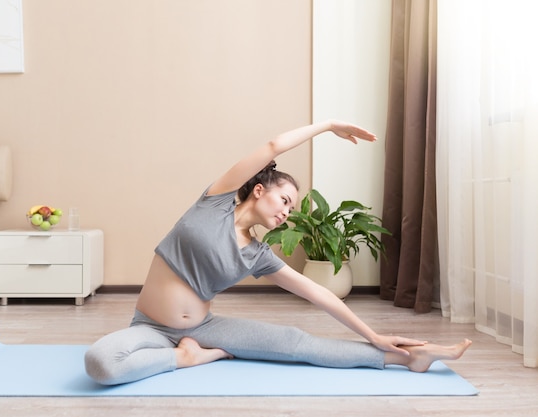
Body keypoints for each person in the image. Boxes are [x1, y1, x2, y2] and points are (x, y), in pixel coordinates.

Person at [84, 120, 472, 385]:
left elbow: (317, 293)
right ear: (258, 190)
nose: (287, 211)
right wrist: (326, 125)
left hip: (203, 328)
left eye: (291, 208)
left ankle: (410, 359)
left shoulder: (258, 254)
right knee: (100, 363)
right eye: (284, 199)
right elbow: (272, 146)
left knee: (296, 343)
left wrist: (374, 335)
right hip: (149, 328)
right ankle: (190, 358)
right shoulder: (214, 202)